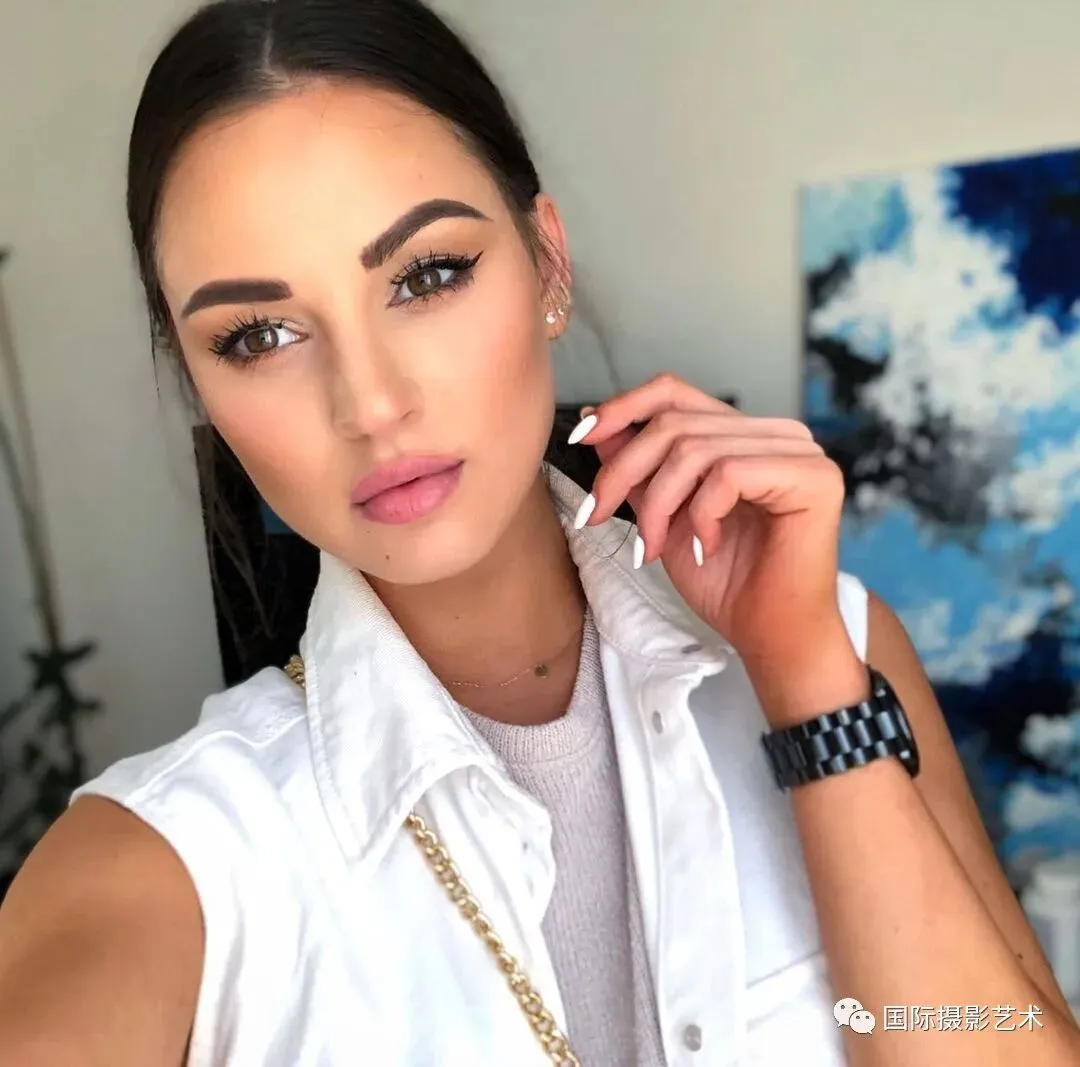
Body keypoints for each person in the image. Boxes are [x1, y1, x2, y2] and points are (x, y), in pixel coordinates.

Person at [1, 1, 1078, 1064]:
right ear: (198, 381)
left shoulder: (836, 650)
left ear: (547, 264)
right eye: (260, 335)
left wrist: (805, 681)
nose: (371, 402)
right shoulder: (164, 859)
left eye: (426, 275)